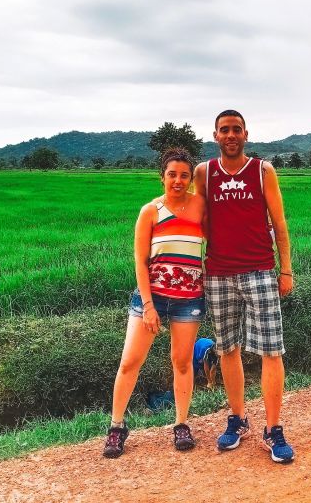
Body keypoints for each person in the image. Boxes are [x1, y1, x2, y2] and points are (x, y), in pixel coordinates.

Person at [193, 109, 296, 463]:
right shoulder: (203, 173)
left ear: (246, 134)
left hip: (260, 271)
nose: (231, 135)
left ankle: (273, 428)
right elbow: (199, 220)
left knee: (271, 350)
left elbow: (279, 223)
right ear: (216, 135)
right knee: (227, 348)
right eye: (225, 130)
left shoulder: (262, 171)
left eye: (236, 129)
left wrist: (286, 271)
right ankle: (237, 419)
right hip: (218, 273)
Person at [104, 147, 207, 457]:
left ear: (191, 179)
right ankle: (117, 427)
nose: (178, 181)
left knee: (182, 362)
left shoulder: (201, 207)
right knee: (130, 361)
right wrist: (148, 306)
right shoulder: (150, 211)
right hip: (152, 298)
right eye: (172, 174)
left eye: (184, 176)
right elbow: (140, 261)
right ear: (162, 177)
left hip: (189, 299)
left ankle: (181, 424)